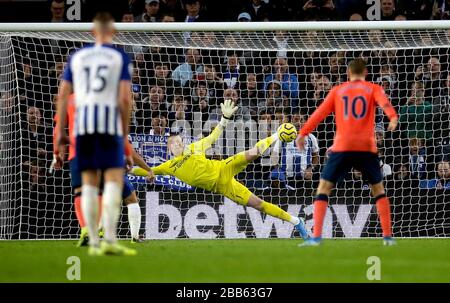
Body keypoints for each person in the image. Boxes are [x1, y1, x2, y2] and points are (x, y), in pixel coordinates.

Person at [138, 100, 309, 239]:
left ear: (183, 143)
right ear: (169, 149)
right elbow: (147, 171)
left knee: (253, 153)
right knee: (258, 205)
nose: (177, 144)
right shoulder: (168, 167)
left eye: (179, 141)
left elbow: (213, 136)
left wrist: (225, 118)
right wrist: (126, 169)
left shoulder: (194, 148)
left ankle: (276, 135)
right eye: (173, 143)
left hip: (223, 168)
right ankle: (296, 221)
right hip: (222, 186)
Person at [56, 12, 135, 256]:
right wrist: (124, 135)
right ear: (113, 31)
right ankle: (109, 240)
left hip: (83, 127)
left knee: (88, 184)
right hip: (109, 125)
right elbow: (124, 98)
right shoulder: (119, 57)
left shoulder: (77, 57)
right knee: (112, 181)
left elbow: (62, 94)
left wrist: (60, 132)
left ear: (92, 32)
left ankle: (92, 241)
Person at [297, 58, 399, 246]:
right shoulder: (373, 88)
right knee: (378, 190)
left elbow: (319, 114)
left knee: (324, 189)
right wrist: (392, 117)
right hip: (366, 148)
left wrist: (303, 133)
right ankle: (387, 237)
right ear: (366, 73)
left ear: (348, 73)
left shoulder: (337, 90)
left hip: (342, 147)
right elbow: (385, 104)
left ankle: (316, 238)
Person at [52, 94, 152, 246]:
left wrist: (57, 153)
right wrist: (147, 168)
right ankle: (128, 235)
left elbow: (59, 130)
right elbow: (129, 150)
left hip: (81, 156)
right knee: (127, 198)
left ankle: (93, 229)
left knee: (89, 194)